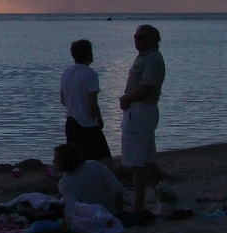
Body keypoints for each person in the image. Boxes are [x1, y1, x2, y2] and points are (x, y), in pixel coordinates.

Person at [119, 24, 166, 214]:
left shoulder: (152, 59)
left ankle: (138, 205)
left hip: (140, 110)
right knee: (147, 160)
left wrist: (127, 99)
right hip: (139, 110)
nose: (136, 40)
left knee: (136, 161)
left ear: (153, 40)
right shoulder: (145, 57)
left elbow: (147, 86)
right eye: (135, 37)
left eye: (141, 37)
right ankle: (163, 195)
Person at [59, 39, 112, 166]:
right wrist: (99, 119)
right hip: (87, 123)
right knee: (105, 160)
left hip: (71, 122)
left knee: (77, 160)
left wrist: (75, 107)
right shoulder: (90, 74)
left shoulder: (66, 73)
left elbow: (62, 99)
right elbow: (92, 104)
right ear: (88, 54)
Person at [52, 142, 123, 215]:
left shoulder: (65, 183)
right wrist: (120, 212)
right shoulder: (95, 164)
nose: (53, 161)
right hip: (112, 213)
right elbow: (117, 189)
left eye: (57, 159)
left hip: (93, 219)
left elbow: (75, 209)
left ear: (65, 160)